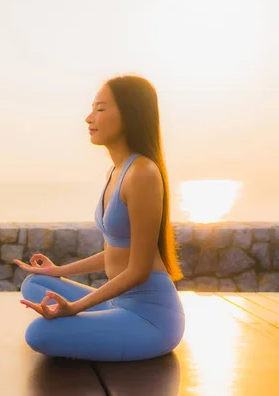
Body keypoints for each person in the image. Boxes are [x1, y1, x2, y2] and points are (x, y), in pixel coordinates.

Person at [13, 75, 185, 362]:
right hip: (119, 302)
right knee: (34, 284)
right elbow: (114, 253)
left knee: (39, 334)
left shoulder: (142, 173)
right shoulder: (116, 171)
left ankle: (95, 320)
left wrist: (76, 307)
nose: (89, 118)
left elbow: (139, 270)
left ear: (130, 115)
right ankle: (96, 316)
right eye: (92, 108)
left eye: (101, 109)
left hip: (151, 319)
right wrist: (58, 271)